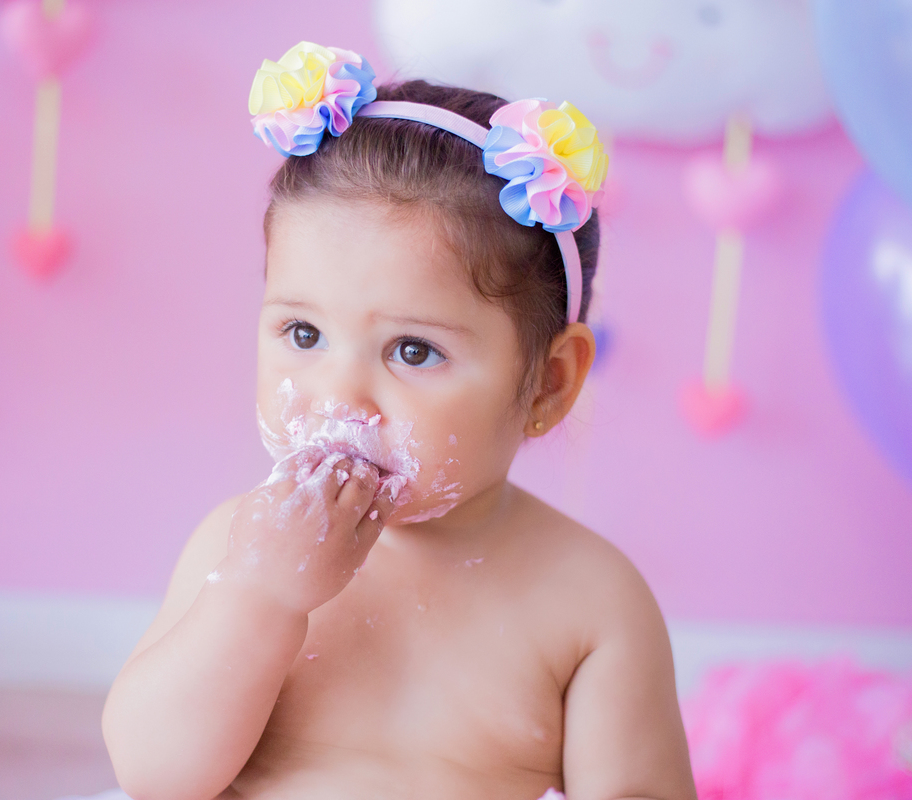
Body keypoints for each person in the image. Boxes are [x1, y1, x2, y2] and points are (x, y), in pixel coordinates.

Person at [102, 42, 696, 800]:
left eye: (413, 350)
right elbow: (153, 776)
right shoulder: (238, 548)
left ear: (548, 383)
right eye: (304, 334)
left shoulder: (590, 600)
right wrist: (260, 598)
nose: (339, 395)